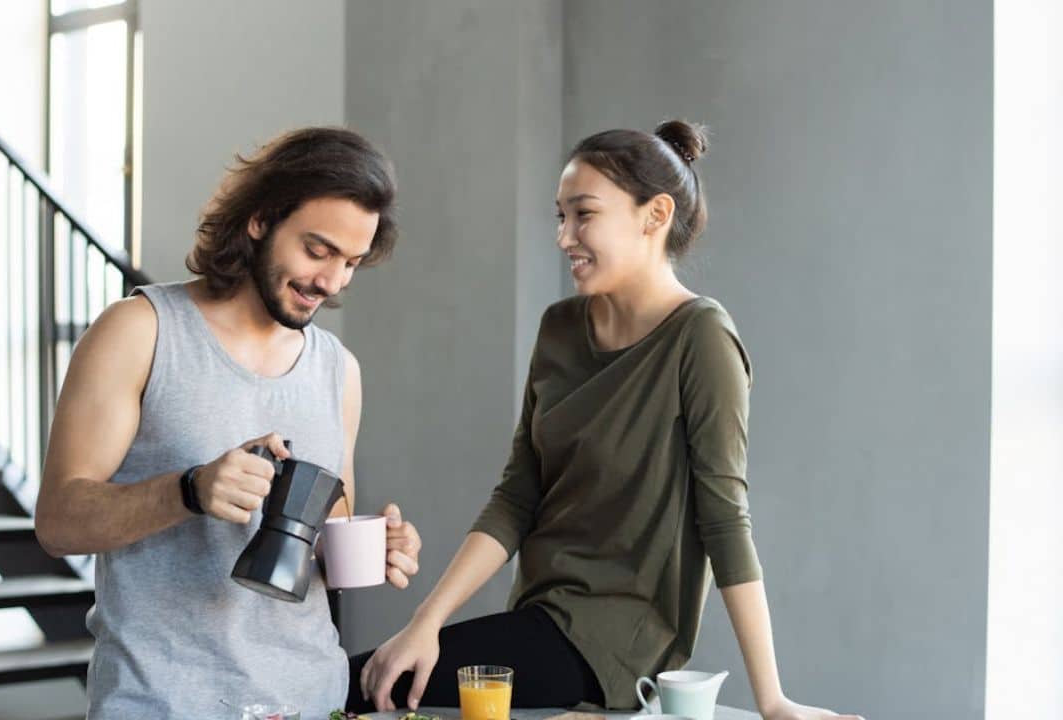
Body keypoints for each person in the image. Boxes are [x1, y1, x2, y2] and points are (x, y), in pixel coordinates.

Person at [350, 122, 861, 720]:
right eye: (560, 216)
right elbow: (518, 497)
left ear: (655, 215)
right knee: (370, 679)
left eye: (584, 214)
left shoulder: (701, 338)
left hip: (616, 647)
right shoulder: (559, 329)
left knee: (354, 685)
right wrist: (425, 623)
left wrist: (771, 700)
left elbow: (725, 519)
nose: (565, 236)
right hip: (540, 621)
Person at [35, 127, 423, 719]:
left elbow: (324, 541)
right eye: (317, 250)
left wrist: (377, 546)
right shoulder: (139, 332)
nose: (332, 281)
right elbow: (58, 522)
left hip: (310, 702)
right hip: (162, 703)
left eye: (351, 263)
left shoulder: (338, 372)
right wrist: (188, 490)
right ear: (261, 219)